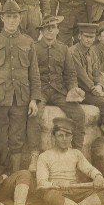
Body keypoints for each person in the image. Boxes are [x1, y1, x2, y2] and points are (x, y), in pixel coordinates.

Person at [0, 0, 42, 172]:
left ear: (20, 19)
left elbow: (34, 75)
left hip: (20, 99)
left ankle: (15, 175)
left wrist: (34, 99)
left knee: (17, 138)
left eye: (15, 17)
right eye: (8, 17)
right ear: (2, 19)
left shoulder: (28, 42)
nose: (12, 20)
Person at [26, 14, 87, 172]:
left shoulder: (63, 48)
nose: (50, 31)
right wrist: (34, 96)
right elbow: (29, 73)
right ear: (42, 31)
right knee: (34, 116)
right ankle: (34, 155)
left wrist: (73, 89)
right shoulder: (33, 47)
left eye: (52, 28)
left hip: (59, 91)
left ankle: (78, 153)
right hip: (40, 91)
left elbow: (70, 74)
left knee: (79, 114)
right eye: (46, 28)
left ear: (57, 29)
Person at [36, 117, 104, 205]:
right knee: (50, 195)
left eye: (68, 135)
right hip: (57, 193)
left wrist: (98, 176)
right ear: (53, 137)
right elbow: (41, 183)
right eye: (60, 135)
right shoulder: (44, 156)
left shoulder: (76, 153)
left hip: (75, 191)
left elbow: (89, 169)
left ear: (72, 137)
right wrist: (57, 183)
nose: (64, 139)